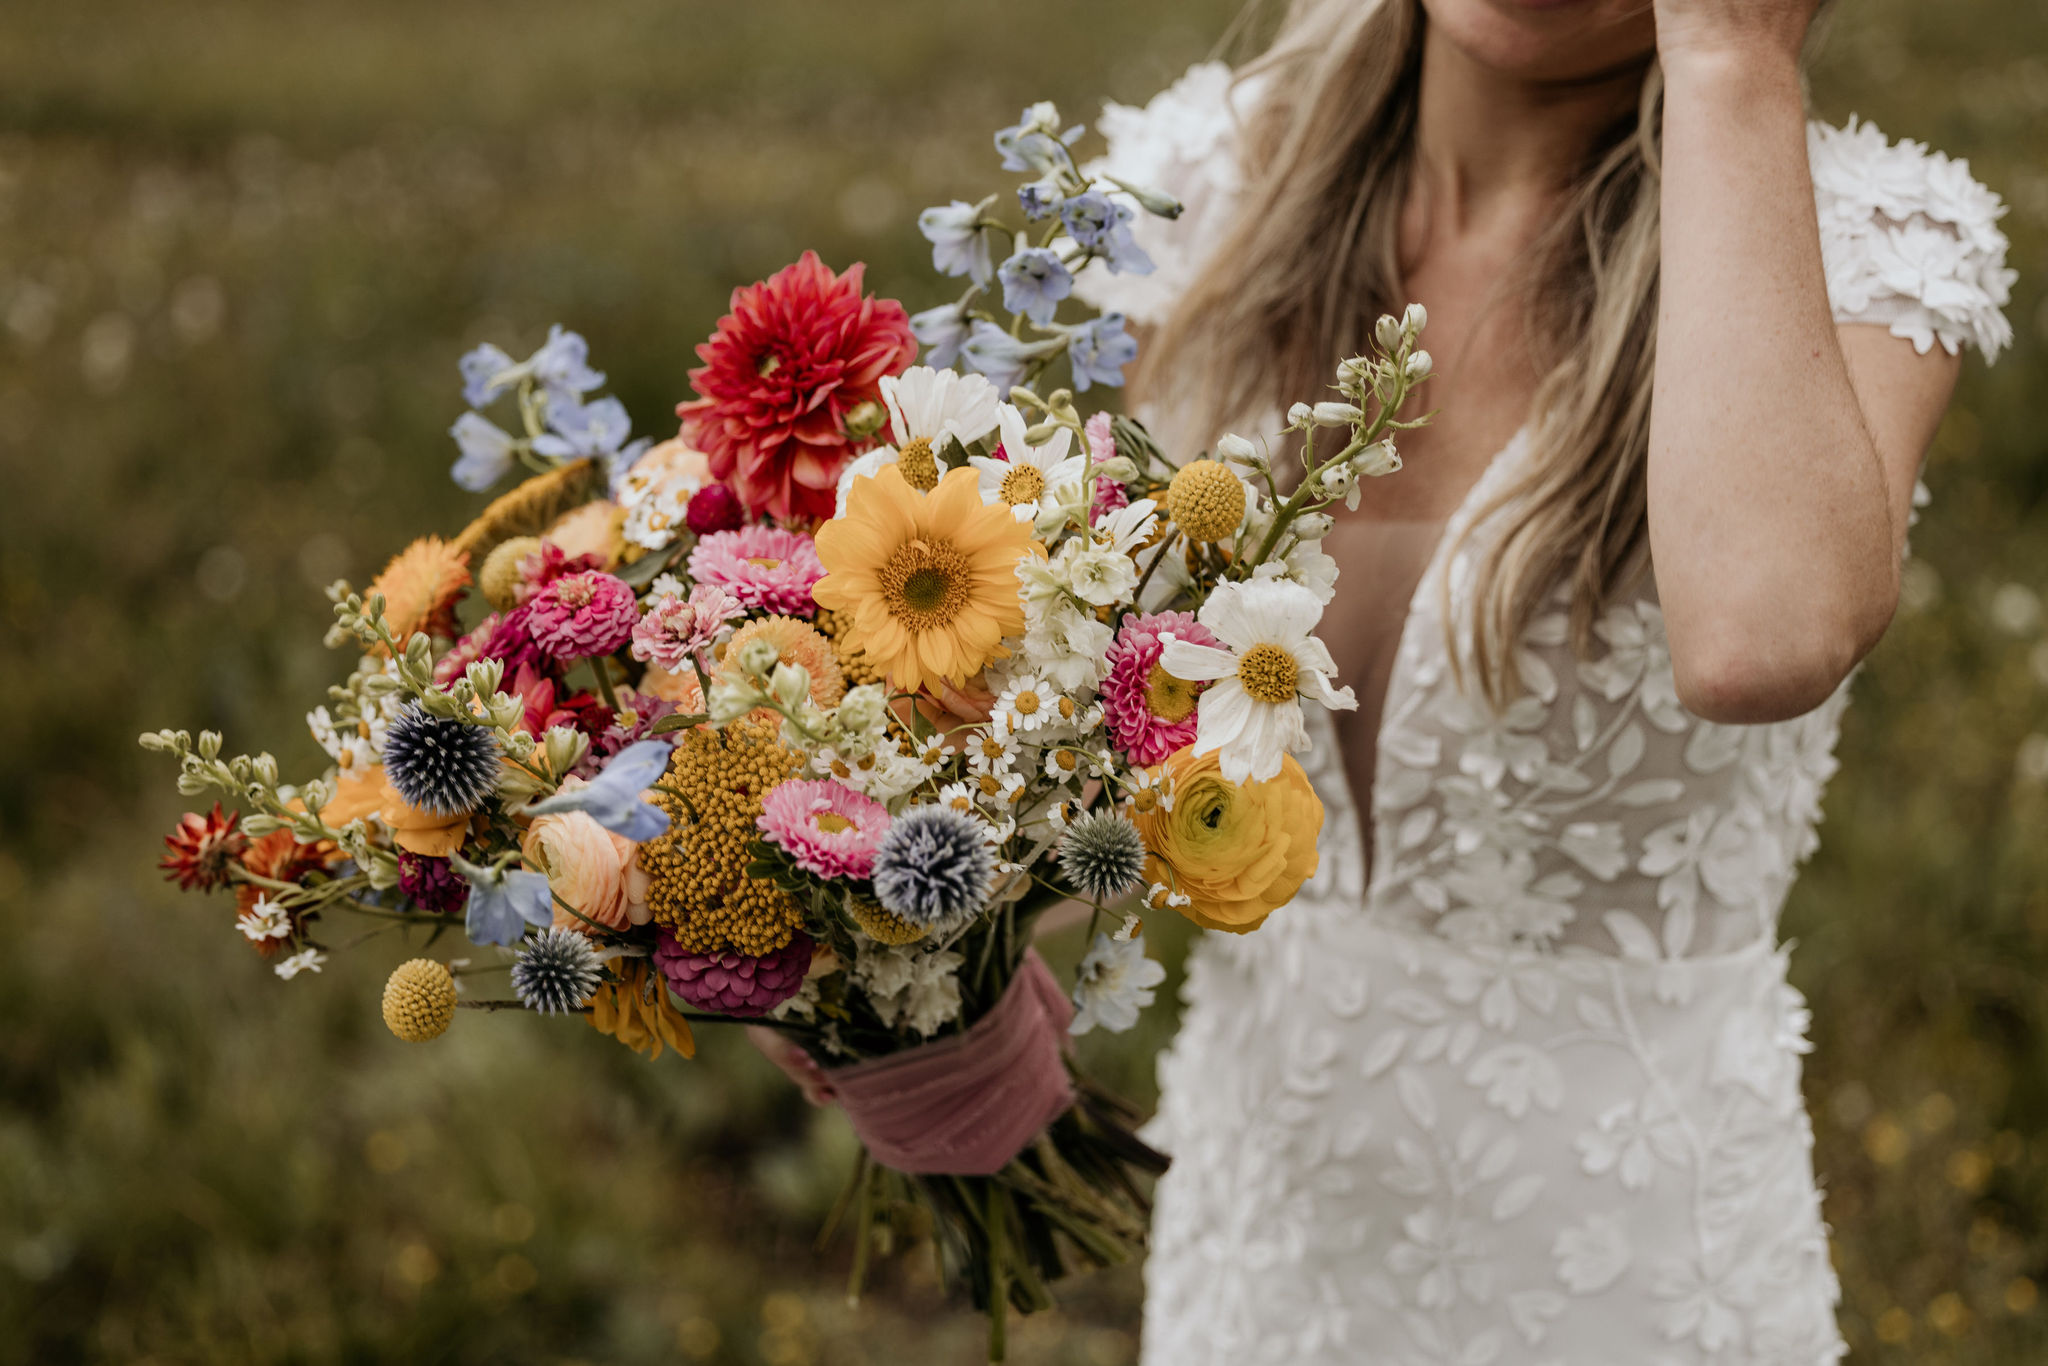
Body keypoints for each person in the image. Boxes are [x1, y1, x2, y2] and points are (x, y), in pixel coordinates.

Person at [1068, 0, 2014, 1361]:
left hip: (1621, 1279)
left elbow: (1761, 637)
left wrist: (1732, 58)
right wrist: (896, 969)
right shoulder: (1198, 187)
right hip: (1258, 1263)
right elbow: (1079, 721)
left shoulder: (1867, 249)